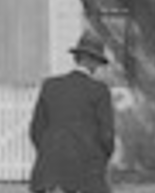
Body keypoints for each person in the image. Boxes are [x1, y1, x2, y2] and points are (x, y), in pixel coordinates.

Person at [28, 31, 115, 193]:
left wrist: (51, 152)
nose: (97, 68)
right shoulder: (99, 91)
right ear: (92, 61)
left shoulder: (50, 86)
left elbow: (36, 130)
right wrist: (99, 159)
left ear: (77, 57)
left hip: (48, 174)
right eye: (97, 62)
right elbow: (107, 136)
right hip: (87, 176)